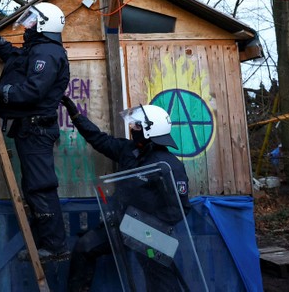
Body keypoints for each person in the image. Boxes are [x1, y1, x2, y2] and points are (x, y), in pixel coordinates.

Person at [60, 100, 191, 292]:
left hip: (150, 233)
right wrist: (76, 116)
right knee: (85, 246)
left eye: (137, 124)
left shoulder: (169, 165)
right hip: (122, 224)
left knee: (160, 282)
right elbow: (99, 139)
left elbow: (180, 209)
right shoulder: (128, 150)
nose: (132, 127)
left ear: (149, 130)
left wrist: (148, 227)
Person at [0, 2, 70, 261]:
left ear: (43, 24)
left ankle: (55, 246)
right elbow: (15, 59)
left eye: (32, 21)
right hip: (29, 129)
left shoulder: (47, 53)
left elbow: (33, 90)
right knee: (33, 188)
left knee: (40, 187)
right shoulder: (36, 50)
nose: (27, 25)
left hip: (36, 129)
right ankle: (44, 242)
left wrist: (1, 92)